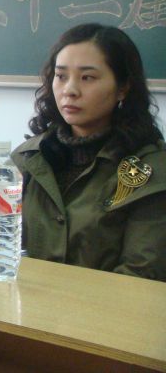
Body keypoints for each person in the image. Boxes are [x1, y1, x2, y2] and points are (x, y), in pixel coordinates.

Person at [12, 23, 165, 280]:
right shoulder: (27, 158)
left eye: (87, 78)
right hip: (24, 301)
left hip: (107, 305)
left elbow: (140, 275)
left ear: (123, 88)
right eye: (61, 76)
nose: (70, 90)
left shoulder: (151, 171)